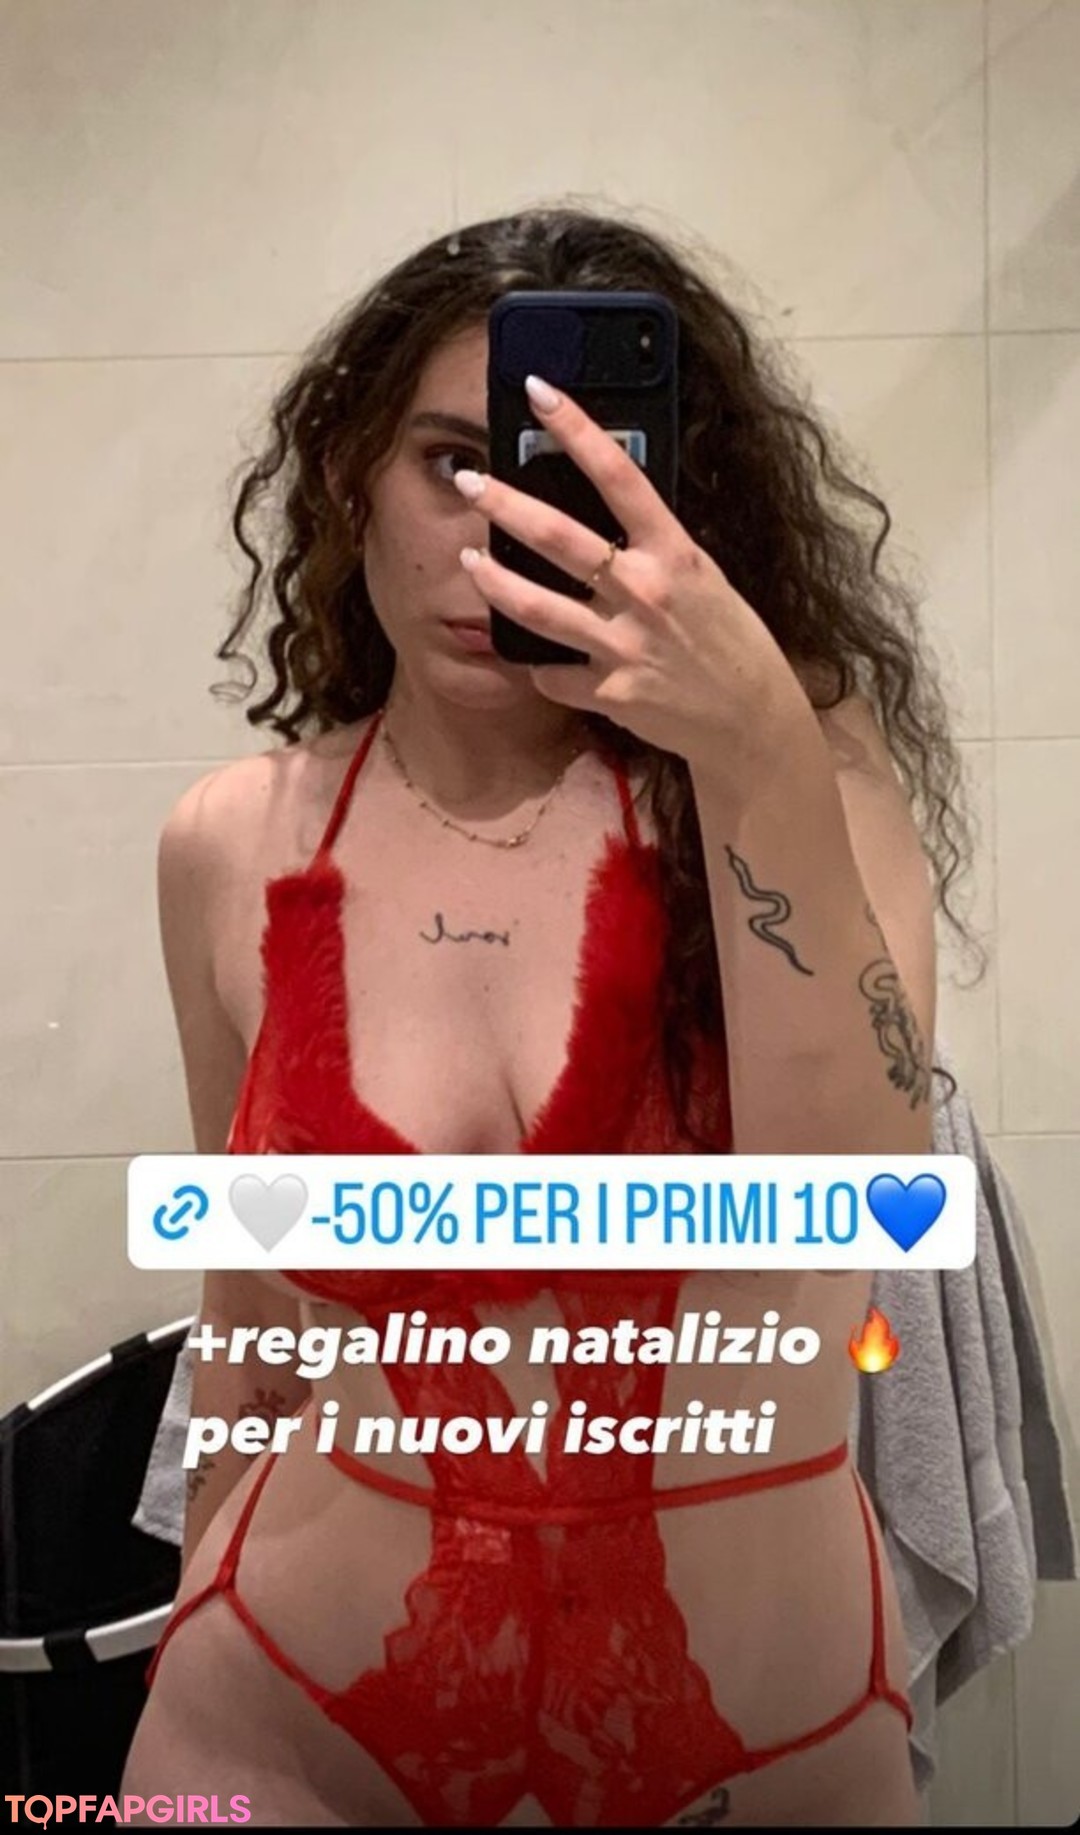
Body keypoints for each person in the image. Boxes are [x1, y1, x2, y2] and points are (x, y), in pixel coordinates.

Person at [121, 205, 976, 1828]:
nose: (497, 530)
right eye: (451, 462)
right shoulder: (230, 843)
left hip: (759, 1746)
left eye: (567, 473)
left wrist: (757, 746)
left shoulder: (798, 774)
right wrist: (200, 1560)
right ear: (349, 479)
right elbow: (249, 1305)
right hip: (285, 1710)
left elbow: (859, 1193)